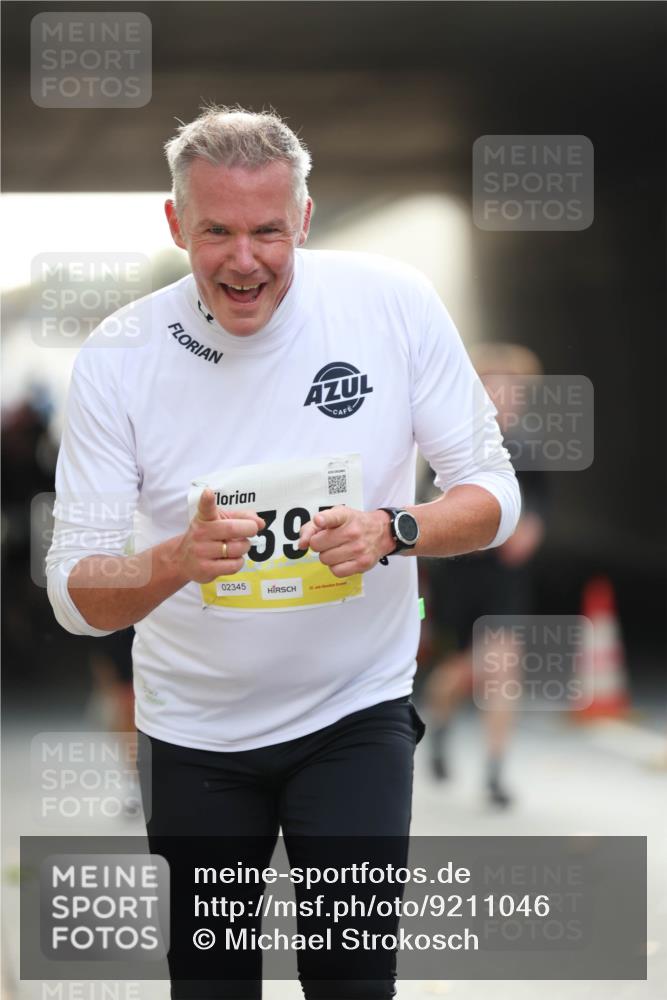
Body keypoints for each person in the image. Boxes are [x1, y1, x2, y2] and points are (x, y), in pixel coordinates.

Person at [46, 106, 521, 999]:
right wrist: (176, 561)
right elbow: (75, 595)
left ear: (303, 218)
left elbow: (493, 495)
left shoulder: (390, 303)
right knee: (212, 984)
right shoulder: (118, 358)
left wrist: (393, 529)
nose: (244, 260)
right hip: (193, 732)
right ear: (176, 222)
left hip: (354, 712)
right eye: (216, 232)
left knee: (352, 981)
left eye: (267, 231)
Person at [424, 343, 548, 807]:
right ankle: (439, 724)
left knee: (503, 668)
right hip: (459, 576)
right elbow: (427, 504)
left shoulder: (529, 447)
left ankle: (495, 771)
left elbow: (540, 502)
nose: (506, 397)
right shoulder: (452, 443)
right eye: (496, 388)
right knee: (459, 671)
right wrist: (473, 531)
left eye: (514, 390)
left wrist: (531, 528)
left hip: (505, 577)